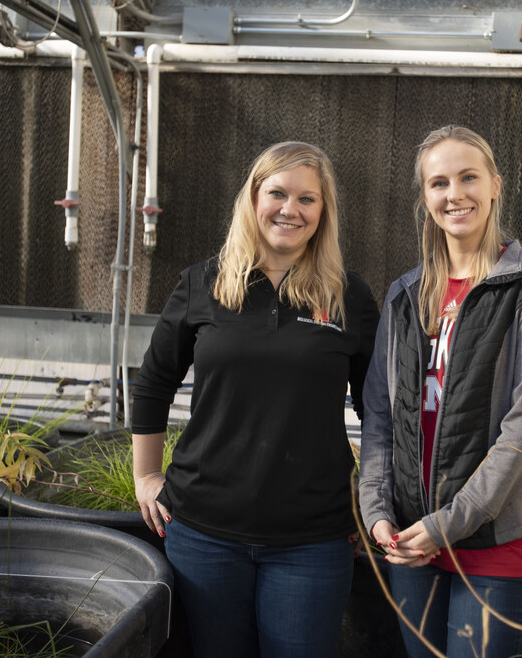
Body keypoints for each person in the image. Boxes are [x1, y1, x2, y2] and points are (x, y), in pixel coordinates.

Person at [131, 140, 380, 658]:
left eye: (307, 199)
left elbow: (378, 408)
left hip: (313, 539)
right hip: (203, 533)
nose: (290, 209)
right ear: (252, 198)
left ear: (323, 211)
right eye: (278, 193)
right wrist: (145, 475)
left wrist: (375, 500)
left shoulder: (348, 297)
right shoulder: (203, 283)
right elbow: (154, 381)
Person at [358, 125, 522, 658]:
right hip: (410, 538)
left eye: (468, 177)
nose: (455, 194)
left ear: (495, 185)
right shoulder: (406, 295)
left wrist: (449, 523)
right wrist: (377, 510)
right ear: (426, 198)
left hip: (493, 539)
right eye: (439, 182)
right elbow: (380, 420)